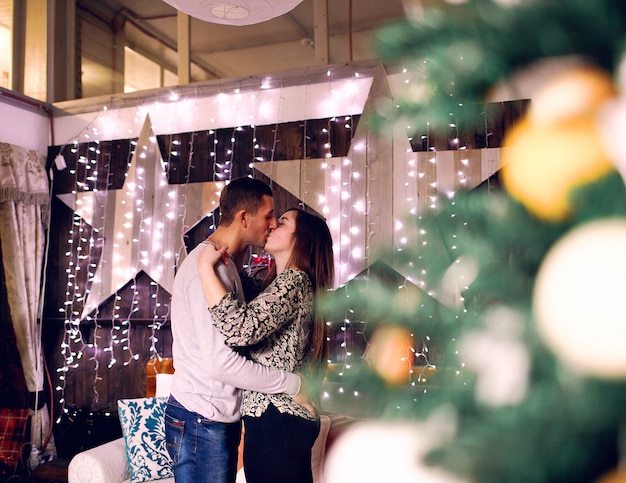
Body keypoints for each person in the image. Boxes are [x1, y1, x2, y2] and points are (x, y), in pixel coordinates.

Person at [165, 177, 307, 483]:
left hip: (212, 417)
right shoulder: (210, 268)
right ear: (244, 218)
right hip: (201, 418)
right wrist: (292, 383)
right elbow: (222, 363)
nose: (271, 223)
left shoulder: (226, 266)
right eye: (269, 215)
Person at [197, 208, 335, 483]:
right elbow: (251, 300)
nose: (272, 227)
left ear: (302, 238)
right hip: (276, 418)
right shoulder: (281, 284)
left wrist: (204, 268)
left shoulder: (294, 282)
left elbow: (240, 329)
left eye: (282, 222)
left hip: (279, 418)